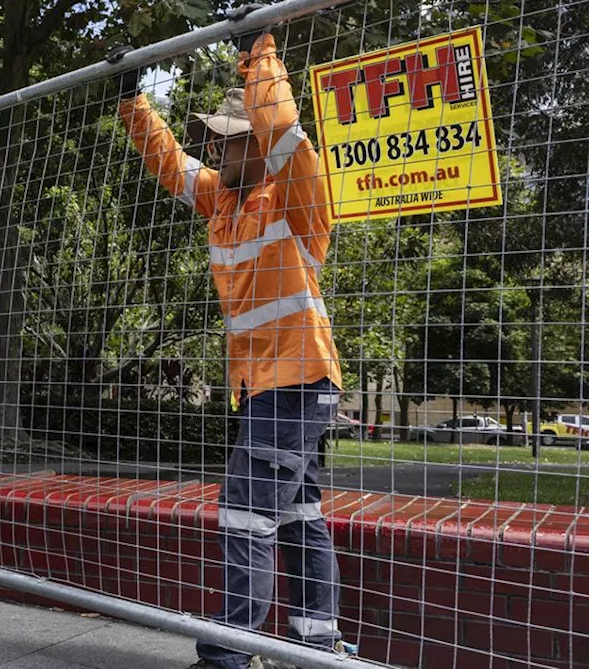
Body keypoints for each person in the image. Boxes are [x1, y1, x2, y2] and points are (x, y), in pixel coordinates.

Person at [111, 9, 356, 669]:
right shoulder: (223, 202)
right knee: (300, 516)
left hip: (297, 382)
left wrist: (258, 51)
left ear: (256, 142)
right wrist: (132, 102)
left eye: (227, 138)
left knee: (246, 514)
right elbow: (170, 164)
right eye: (213, 140)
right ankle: (317, 642)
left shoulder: (296, 194)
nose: (215, 148)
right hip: (270, 389)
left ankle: (230, 654)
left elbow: (286, 132)